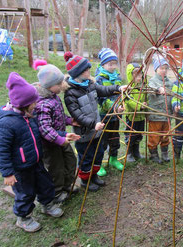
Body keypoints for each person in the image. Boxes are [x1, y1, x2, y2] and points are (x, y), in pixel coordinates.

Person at [0, 72, 63, 233]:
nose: (36, 104)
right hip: (21, 168)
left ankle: (47, 204)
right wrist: (7, 173)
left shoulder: (29, 116)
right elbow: (2, 150)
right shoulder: (7, 123)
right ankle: (23, 217)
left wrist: (63, 135)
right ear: (23, 104)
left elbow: (41, 131)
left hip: (36, 162)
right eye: (33, 102)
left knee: (45, 185)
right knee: (25, 193)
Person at [63, 52, 127, 192]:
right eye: (86, 70)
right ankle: (86, 180)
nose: (89, 71)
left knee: (98, 154)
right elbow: (77, 115)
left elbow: (103, 90)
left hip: (97, 130)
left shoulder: (90, 84)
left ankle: (94, 176)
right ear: (78, 73)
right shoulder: (71, 93)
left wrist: (117, 88)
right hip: (85, 132)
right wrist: (93, 124)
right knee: (86, 157)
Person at [33, 60, 81, 204]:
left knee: (71, 160)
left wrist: (69, 121)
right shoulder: (42, 104)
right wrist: (59, 139)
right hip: (51, 144)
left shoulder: (53, 96)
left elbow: (59, 115)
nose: (62, 86)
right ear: (48, 86)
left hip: (61, 138)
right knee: (56, 168)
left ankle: (68, 184)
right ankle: (57, 192)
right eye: (58, 84)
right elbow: (45, 128)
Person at [95, 48, 124, 176]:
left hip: (116, 115)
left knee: (115, 138)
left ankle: (113, 158)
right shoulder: (99, 79)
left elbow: (120, 94)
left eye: (114, 63)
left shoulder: (117, 77)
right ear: (103, 64)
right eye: (109, 64)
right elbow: (101, 99)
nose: (112, 66)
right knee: (103, 139)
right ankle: (99, 163)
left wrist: (121, 105)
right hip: (104, 115)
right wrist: (113, 108)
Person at [147, 55, 173, 163]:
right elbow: (150, 89)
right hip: (155, 115)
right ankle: (153, 154)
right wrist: (158, 89)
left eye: (166, 68)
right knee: (154, 135)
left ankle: (164, 153)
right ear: (156, 69)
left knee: (166, 135)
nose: (164, 70)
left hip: (167, 114)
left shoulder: (170, 82)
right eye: (161, 68)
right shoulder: (152, 81)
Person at [124, 63, 147, 162]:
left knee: (139, 135)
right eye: (136, 75)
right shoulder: (128, 89)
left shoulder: (143, 87)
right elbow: (129, 101)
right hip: (132, 117)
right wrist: (140, 106)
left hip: (141, 117)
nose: (139, 77)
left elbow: (146, 98)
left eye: (140, 74)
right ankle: (129, 153)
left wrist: (145, 103)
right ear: (130, 75)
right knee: (131, 135)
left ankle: (136, 151)